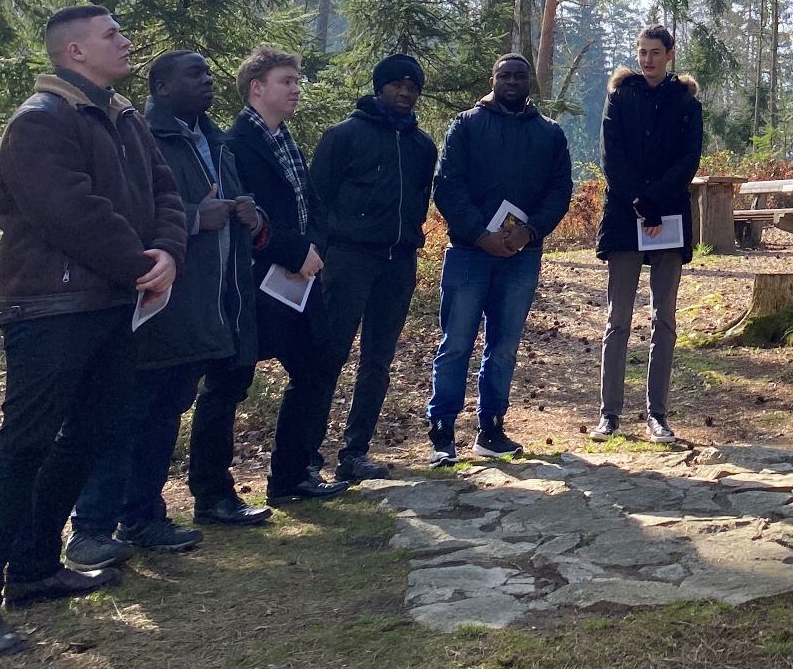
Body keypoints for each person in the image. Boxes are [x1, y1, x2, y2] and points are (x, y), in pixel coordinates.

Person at [0, 6, 186, 660]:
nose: (126, 39)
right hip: (49, 310)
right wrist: (145, 264)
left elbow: (165, 191)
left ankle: (32, 571)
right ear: (75, 52)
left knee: (92, 432)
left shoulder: (124, 117)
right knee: (22, 448)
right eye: (112, 34)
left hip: (116, 303)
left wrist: (169, 251)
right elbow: (70, 213)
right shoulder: (38, 123)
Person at [68, 52, 263, 562]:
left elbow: (233, 204)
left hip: (207, 305)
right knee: (122, 417)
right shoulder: (142, 135)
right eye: (194, 74)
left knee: (163, 417)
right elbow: (128, 213)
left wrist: (247, 211)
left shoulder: (216, 141)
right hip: (155, 302)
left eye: (208, 71)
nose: (208, 80)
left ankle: (143, 518)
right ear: (160, 85)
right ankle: (89, 527)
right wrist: (199, 218)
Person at [198, 46, 346, 509]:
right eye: (286, 80)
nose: (296, 88)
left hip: (300, 281)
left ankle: (290, 476)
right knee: (228, 385)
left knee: (317, 369)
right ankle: (213, 494)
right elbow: (246, 214)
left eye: (297, 80)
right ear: (256, 88)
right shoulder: (234, 145)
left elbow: (312, 203)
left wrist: (314, 247)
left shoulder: (287, 139)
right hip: (252, 286)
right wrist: (294, 250)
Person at [426, 53, 574, 464]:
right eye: (505, 75)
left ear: (530, 82)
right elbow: (448, 185)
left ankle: (490, 429)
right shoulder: (466, 124)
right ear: (493, 79)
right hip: (469, 254)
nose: (512, 81)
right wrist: (479, 234)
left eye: (520, 75)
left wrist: (530, 231)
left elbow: (560, 191)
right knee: (455, 344)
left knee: (504, 347)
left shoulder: (549, 133)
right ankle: (442, 434)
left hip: (522, 257)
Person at [309, 53, 438, 482]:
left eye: (413, 87)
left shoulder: (422, 146)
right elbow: (318, 199)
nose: (405, 93)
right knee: (328, 355)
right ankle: (305, 456)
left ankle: (355, 451)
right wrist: (321, 253)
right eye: (397, 85)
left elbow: (420, 197)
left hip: (398, 261)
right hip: (347, 260)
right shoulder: (344, 135)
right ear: (379, 87)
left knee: (378, 360)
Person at [591, 25, 703, 443]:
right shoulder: (619, 97)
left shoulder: (687, 102)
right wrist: (639, 200)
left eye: (655, 52)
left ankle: (657, 414)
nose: (647, 60)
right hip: (624, 217)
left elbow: (688, 158)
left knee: (664, 319)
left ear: (670, 54)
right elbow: (611, 156)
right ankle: (609, 414)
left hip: (669, 218)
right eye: (641, 52)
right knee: (617, 319)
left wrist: (657, 199)